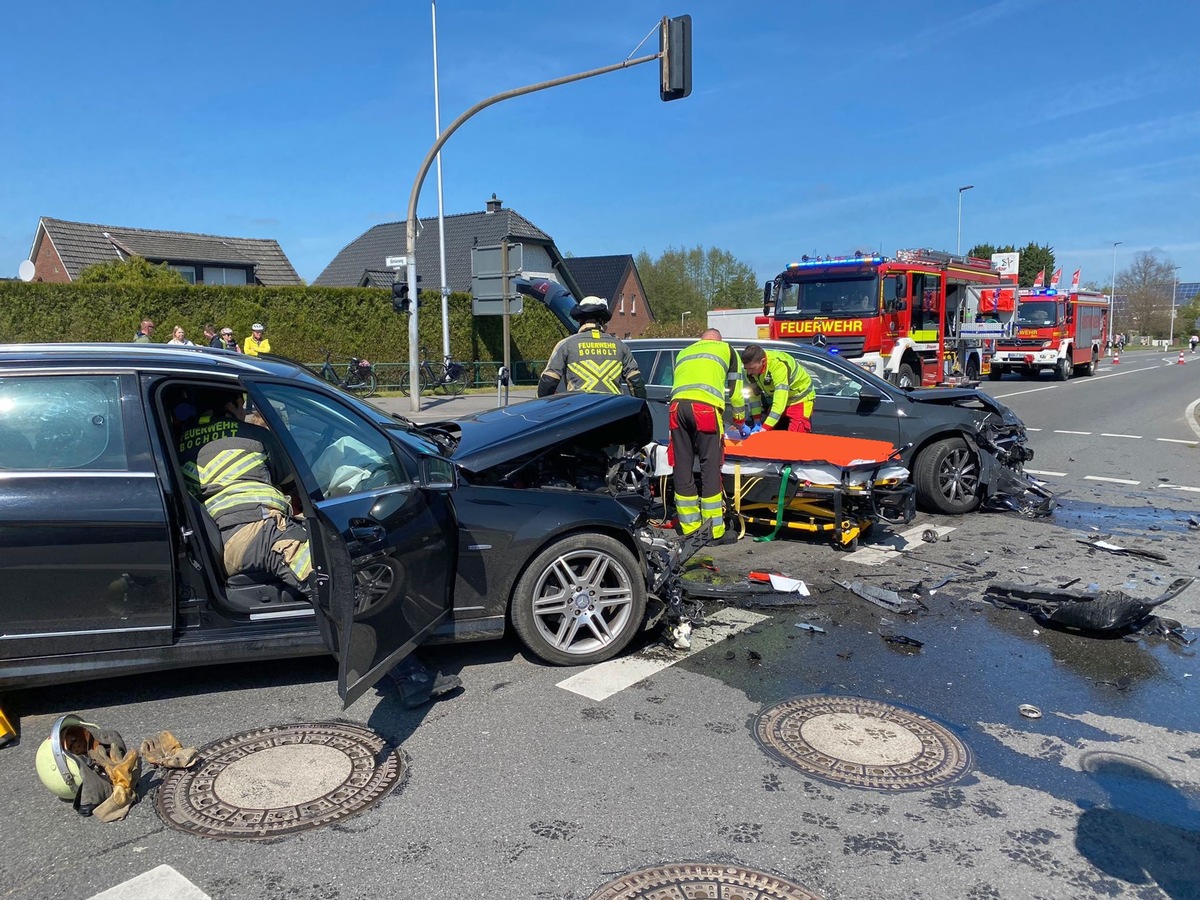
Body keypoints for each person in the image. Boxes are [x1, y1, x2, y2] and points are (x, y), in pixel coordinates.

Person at [178, 389, 311, 590]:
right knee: (329, 580)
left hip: (212, 544)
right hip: (259, 532)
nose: (244, 413)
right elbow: (295, 488)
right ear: (231, 405)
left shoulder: (178, 443)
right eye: (243, 406)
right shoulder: (255, 435)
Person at [668, 328, 746, 548]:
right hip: (705, 409)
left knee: (682, 465)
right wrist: (739, 420)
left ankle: (690, 527)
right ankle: (713, 531)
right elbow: (736, 389)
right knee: (709, 465)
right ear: (718, 340)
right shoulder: (727, 350)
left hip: (676, 408)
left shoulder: (685, 352)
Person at [537, 297, 646, 398]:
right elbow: (636, 383)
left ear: (580, 320)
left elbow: (548, 382)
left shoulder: (566, 345)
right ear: (602, 320)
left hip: (580, 410)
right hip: (613, 411)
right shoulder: (621, 346)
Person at [740, 344, 816, 433]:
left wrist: (764, 428)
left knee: (796, 439)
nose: (749, 372)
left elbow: (779, 401)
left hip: (800, 399)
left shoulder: (778, 366)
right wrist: (757, 421)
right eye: (746, 368)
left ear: (763, 361)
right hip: (780, 400)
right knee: (771, 436)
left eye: (752, 368)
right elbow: (754, 396)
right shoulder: (749, 370)